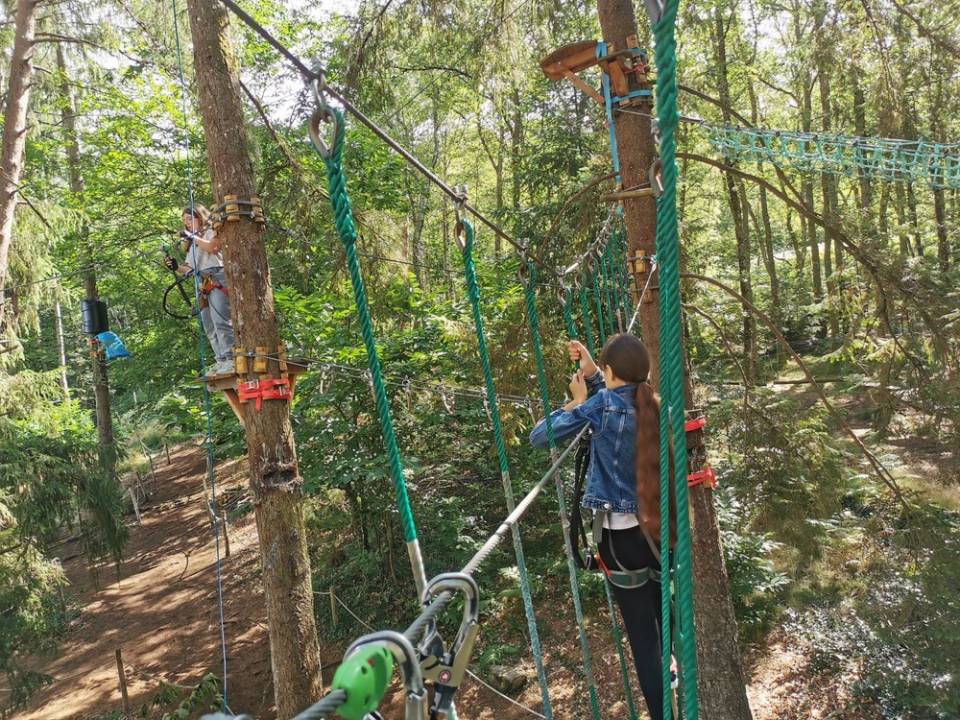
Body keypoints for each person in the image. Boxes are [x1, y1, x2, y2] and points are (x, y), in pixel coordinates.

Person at [530, 333, 674, 720]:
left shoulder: (599, 407)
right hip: (661, 535)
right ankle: (681, 675)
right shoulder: (656, 405)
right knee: (667, 618)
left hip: (619, 544)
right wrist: (593, 371)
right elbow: (617, 405)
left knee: (644, 641)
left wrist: (576, 402)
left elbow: (540, 437)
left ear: (612, 372)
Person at [164, 204, 235, 375]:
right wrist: (175, 266)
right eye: (184, 221)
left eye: (190, 218)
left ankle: (231, 358)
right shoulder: (192, 244)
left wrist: (191, 236)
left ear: (200, 217)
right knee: (208, 323)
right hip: (202, 281)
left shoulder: (213, 231)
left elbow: (213, 247)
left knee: (220, 321)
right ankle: (221, 359)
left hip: (216, 276)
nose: (187, 223)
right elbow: (189, 268)